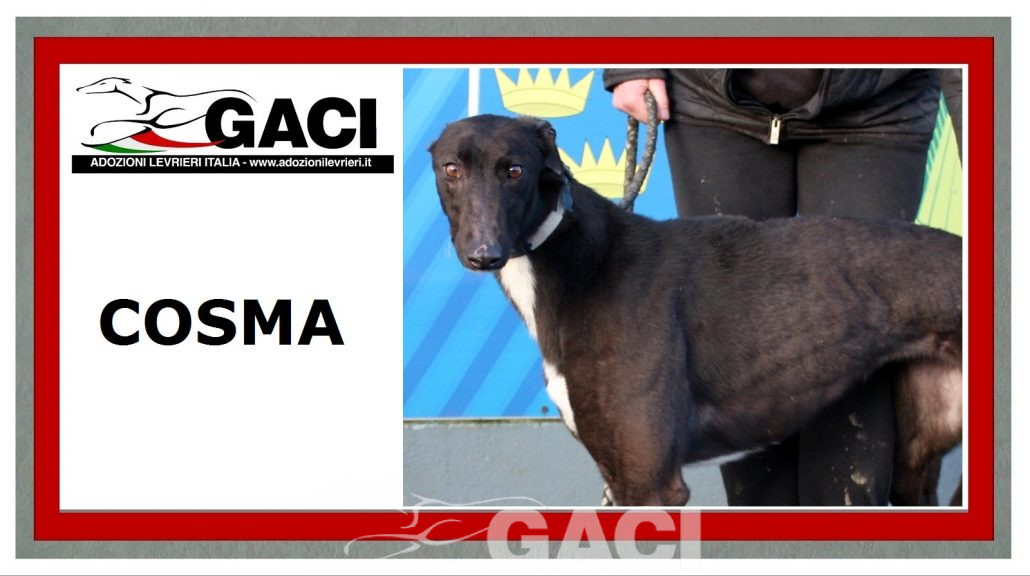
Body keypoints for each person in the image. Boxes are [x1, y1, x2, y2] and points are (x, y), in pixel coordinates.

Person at [604, 68, 962, 506]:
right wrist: (632, 62)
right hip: (712, 99)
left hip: (878, 103)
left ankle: (847, 538)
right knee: (735, 340)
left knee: (862, 331)